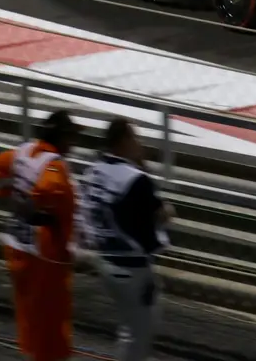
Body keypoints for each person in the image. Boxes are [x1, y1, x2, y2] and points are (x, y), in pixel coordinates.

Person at [0, 109, 81, 361]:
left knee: (28, 312)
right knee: (50, 318)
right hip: (44, 254)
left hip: (17, 244)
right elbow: (50, 189)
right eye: (71, 137)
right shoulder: (54, 166)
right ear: (61, 137)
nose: (73, 143)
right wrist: (35, 206)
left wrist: (12, 196)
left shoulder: (23, 153)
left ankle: (32, 353)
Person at [83, 118, 175, 361]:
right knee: (139, 330)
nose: (140, 143)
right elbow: (163, 213)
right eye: (136, 138)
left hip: (105, 258)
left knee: (130, 325)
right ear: (124, 141)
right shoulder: (135, 179)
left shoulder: (93, 171)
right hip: (132, 266)